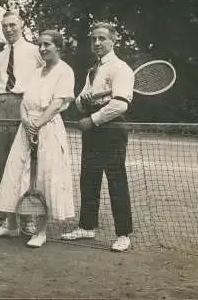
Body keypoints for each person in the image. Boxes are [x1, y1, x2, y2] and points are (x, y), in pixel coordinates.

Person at [0, 30, 76, 247]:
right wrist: (27, 121)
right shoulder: (37, 72)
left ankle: (41, 231)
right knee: (15, 173)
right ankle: (11, 225)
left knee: (43, 177)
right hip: (26, 129)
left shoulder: (65, 71)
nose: (43, 49)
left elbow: (56, 104)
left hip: (49, 129)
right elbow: (25, 102)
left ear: (58, 47)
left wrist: (38, 124)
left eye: (47, 45)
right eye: (40, 45)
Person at [60, 22, 134, 252]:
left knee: (116, 181)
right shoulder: (93, 71)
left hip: (112, 130)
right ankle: (87, 226)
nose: (97, 43)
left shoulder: (121, 68)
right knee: (89, 179)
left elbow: (120, 105)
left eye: (102, 38)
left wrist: (92, 120)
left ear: (113, 40)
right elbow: (80, 102)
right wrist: (85, 102)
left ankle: (123, 234)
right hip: (93, 131)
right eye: (94, 39)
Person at [0, 10, 44, 229]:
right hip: (1, 106)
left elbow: (47, 78)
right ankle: (0, 216)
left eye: (12, 25)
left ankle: (27, 218)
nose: (8, 29)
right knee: (0, 161)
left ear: (22, 25)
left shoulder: (36, 51)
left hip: (23, 106)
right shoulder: (0, 56)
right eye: (5, 26)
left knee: (24, 163)